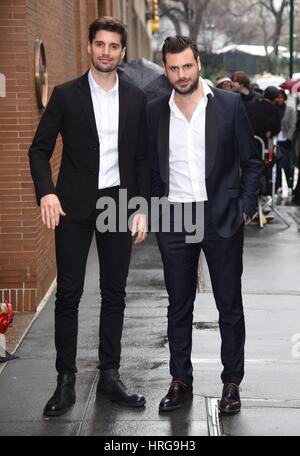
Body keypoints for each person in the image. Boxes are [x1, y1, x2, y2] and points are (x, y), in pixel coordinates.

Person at [28, 17, 150, 416]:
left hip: (117, 203)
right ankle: (65, 382)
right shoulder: (66, 95)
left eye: (114, 46)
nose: (106, 52)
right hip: (74, 205)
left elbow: (143, 159)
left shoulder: (135, 98)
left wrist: (141, 206)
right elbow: (38, 150)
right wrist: (47, 192)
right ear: (88, 47)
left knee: (115, 293)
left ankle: (110, 374)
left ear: (122, 52)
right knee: (69, 294)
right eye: (100, 44)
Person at [147, 36, 262, 414]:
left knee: (229, 303)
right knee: (179, 304)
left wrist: (245, 205)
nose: (182, 75)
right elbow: (149, 168)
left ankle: (232, 382)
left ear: (198, 63)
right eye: (174, 68)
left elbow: (252, 159)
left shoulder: (228, 105)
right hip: (175, 217)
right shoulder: (155, 111)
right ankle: (180, 380)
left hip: (221, 216)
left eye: (187, 66)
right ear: (166, 70)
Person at [275, 89, 297, 196]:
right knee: (277, 165)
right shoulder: (273, 109)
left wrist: (289, 138)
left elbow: (293, 125)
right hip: (276, 141)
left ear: (284, 98)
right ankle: (278, 186)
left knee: (288, 165)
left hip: (287, 141)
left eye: (281, 97)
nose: (279, 99)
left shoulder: (290, 110)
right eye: (277, 97)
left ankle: (290, 186)